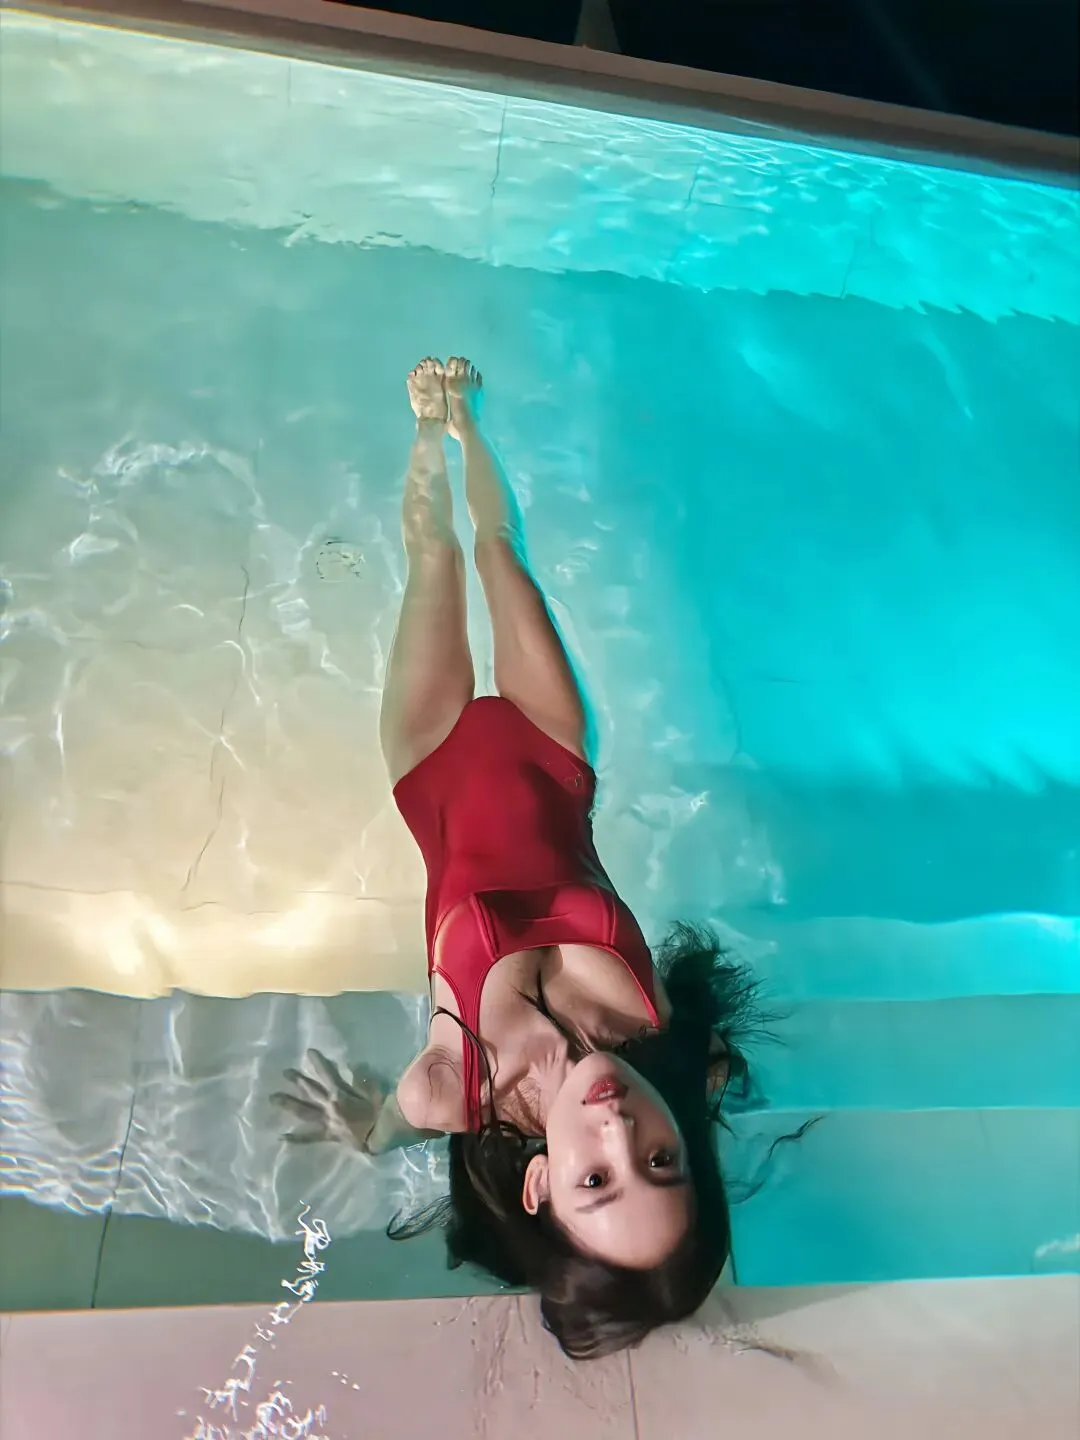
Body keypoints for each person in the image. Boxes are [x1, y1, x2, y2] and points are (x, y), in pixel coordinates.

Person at [273, 357, 763, 1359]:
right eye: (663, 1161)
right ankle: (465, 424)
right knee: (502, 551)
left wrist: (365, 1127)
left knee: (435, 560)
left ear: (539, 1185)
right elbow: (708, 1073)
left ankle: (422, 430)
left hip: (432, 765)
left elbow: (392, 1125)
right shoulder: (665, 1036)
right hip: (551, 751)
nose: (621, 1131)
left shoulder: (452, 1086)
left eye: (596, 1180)